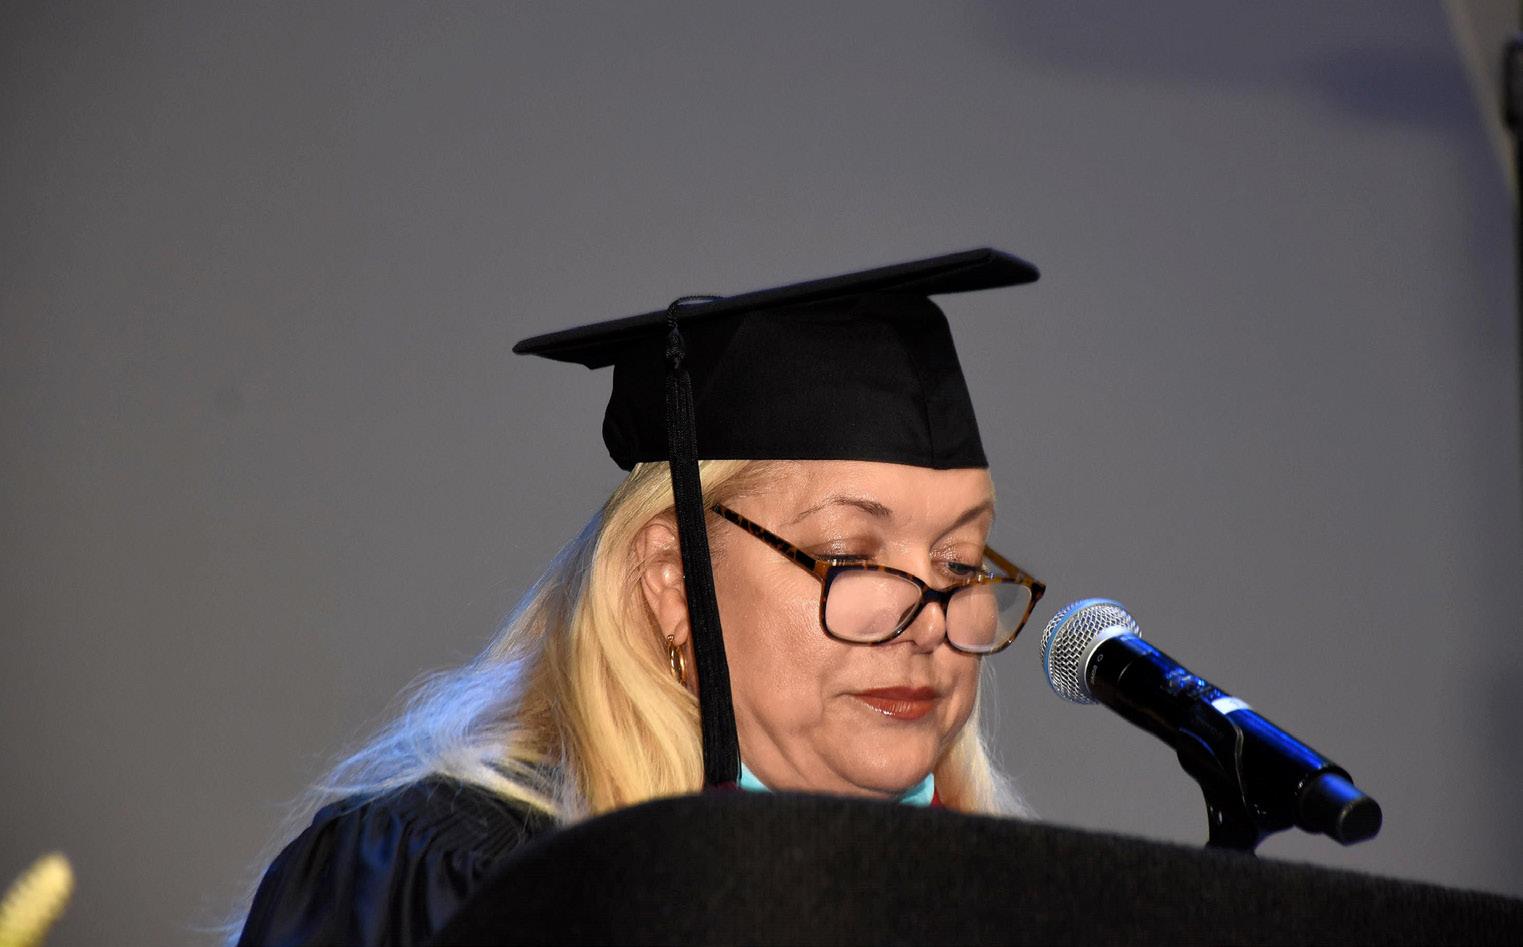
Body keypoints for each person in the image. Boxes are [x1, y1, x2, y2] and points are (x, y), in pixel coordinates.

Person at [234, 249, 1046, 946]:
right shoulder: (459, 882)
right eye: (847, 555)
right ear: (671, 581)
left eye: (959, 562)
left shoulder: (1005, 906)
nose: (928, 621)